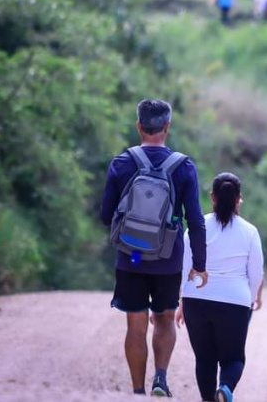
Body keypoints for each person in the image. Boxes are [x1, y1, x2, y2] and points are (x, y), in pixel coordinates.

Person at [99, 99, 209, 397]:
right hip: (168, 259)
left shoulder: (121, 163)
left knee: (135, 324)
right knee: (164, 318)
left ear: (139, 126)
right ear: (167, 127)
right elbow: (195, 220)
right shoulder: (183, 166)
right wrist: (199, 263)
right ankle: (160, 378)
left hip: (130, 258)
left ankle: (137, 391)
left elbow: (105, 215)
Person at [176, 173, 264, 402]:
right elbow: (256, 273)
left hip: (197, 299)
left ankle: (208, 399)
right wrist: (250, 300)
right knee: (233, 359)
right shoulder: (250, 231)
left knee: (204, 358)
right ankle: (225, 388)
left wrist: (181, 301)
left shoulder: (196, 227)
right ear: (238, 199)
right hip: (235, 302)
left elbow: (184, 267)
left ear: (212, 197)